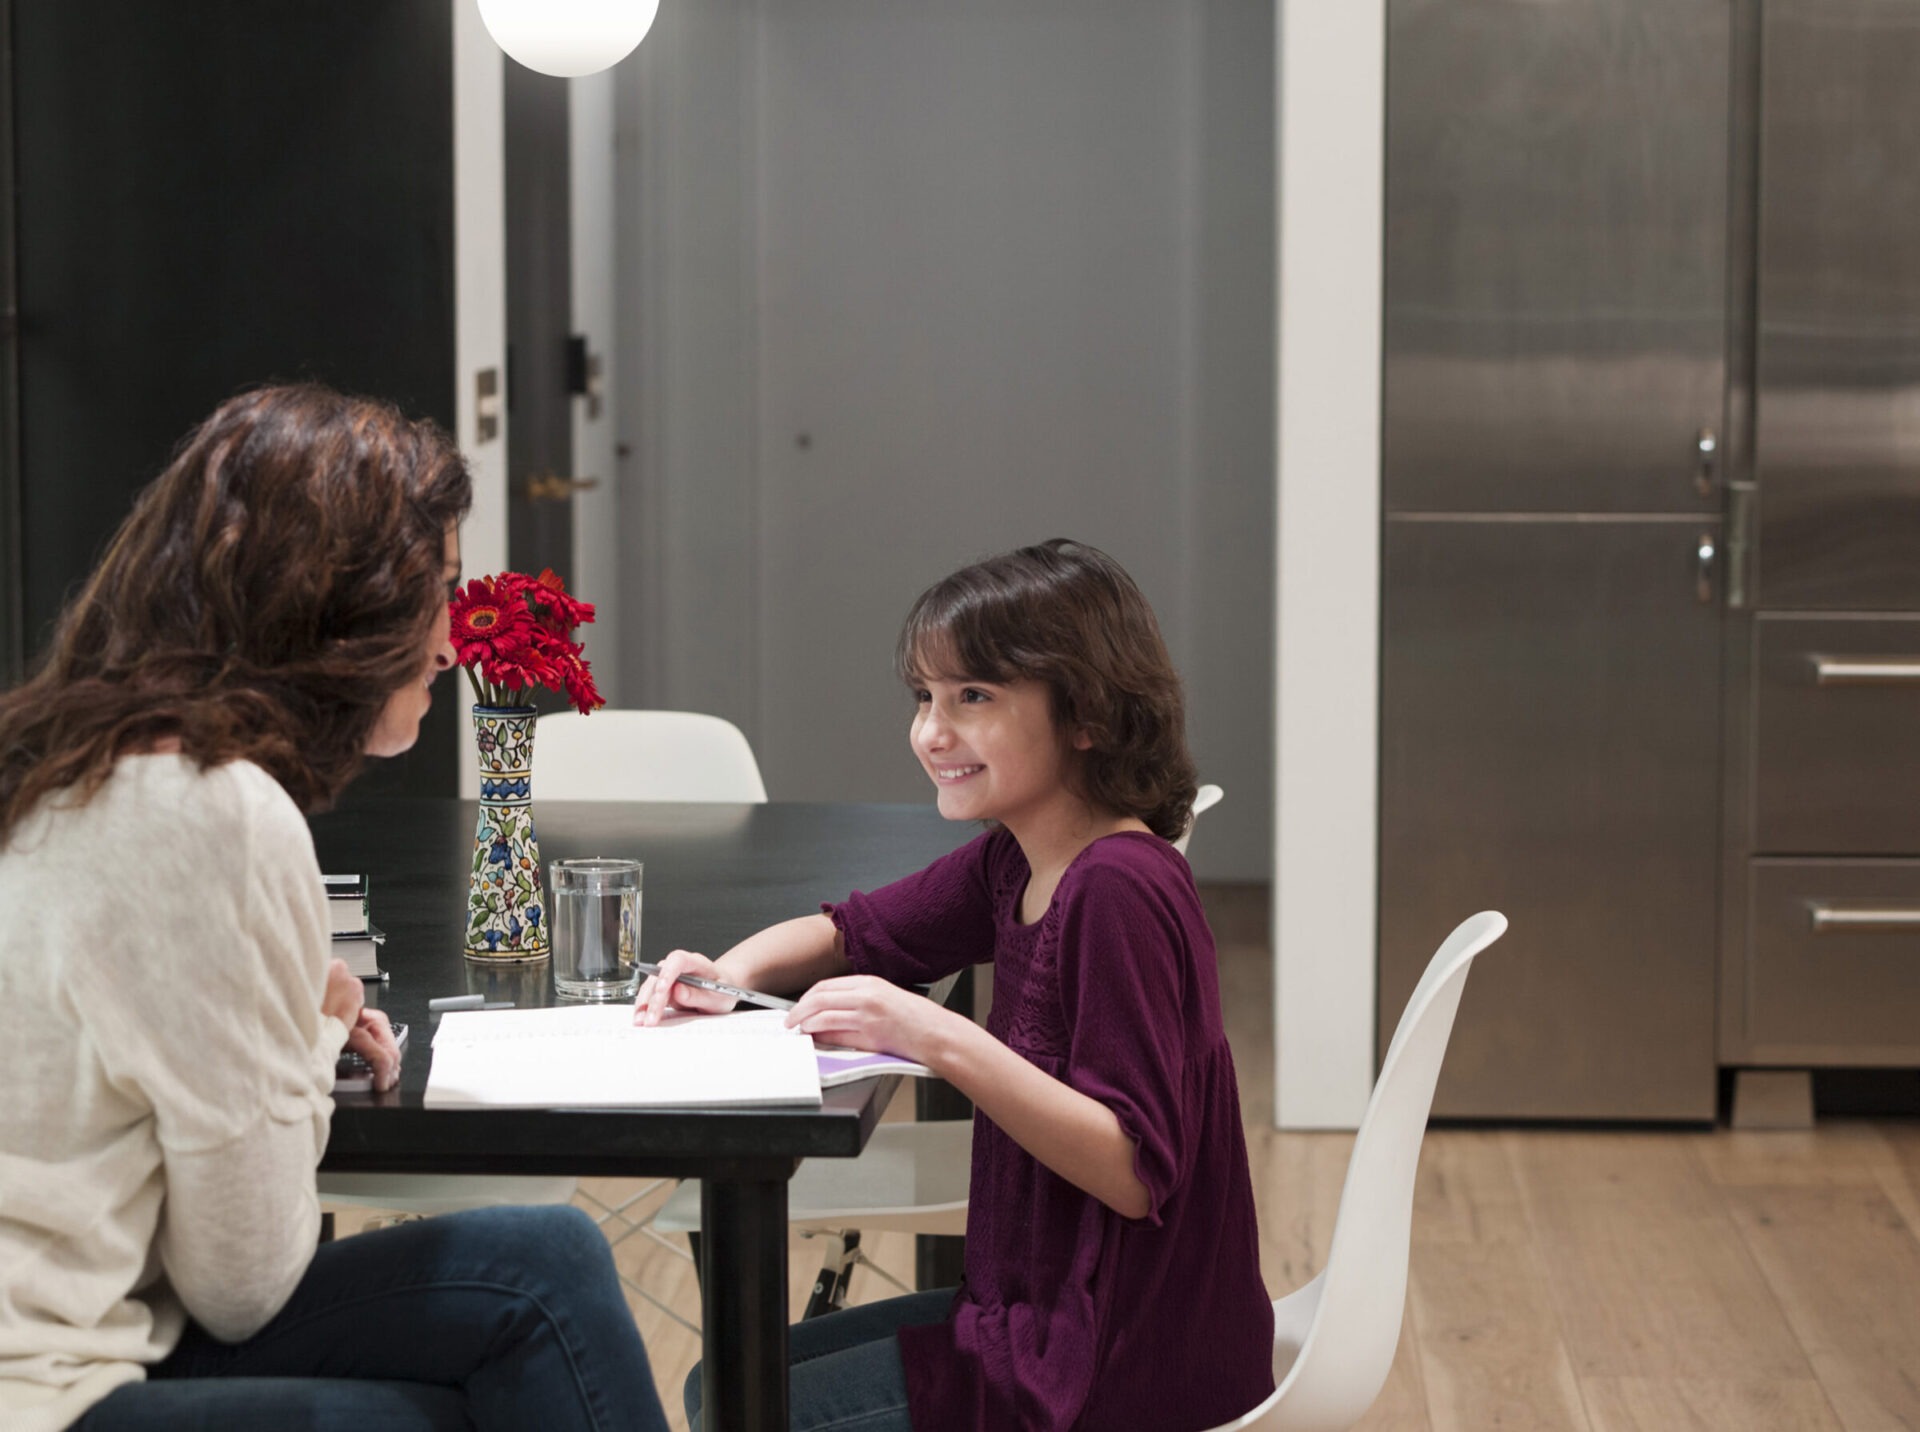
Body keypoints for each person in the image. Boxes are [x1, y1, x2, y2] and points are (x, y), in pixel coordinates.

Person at [0, 384, 669, 1432]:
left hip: (101, 1324)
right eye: (437, 591)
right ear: (337, 604)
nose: (453, 641)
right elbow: (245, 1278)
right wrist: (310, 1030)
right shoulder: (216, 813)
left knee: (549, 1259)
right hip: (45, 1386)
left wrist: (293, 1020)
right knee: (474, 1384)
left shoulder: (64, 760)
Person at [641, 539, 1275, 1431]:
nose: (932, 732)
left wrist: (930, 1034)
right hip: (1032, 1315)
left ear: (1087, 714)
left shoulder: (1117, 890)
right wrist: (731, 971)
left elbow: (1136, 1171)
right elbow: (853, 931)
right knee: (724, 1386)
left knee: (743, 1406)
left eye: (972, 697)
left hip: (1115, 1364)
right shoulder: (1019, 860)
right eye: (925, 698)